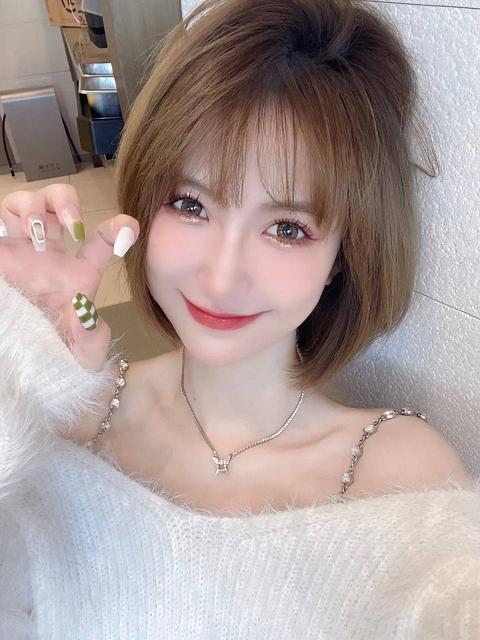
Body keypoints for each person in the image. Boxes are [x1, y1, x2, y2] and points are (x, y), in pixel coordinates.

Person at [0, 0, 478, 637]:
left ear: (343, 255)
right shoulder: (61, 418)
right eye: (190, 204)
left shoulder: (402, 476)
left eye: (287, 228)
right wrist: (18, 359)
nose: (222, 278)